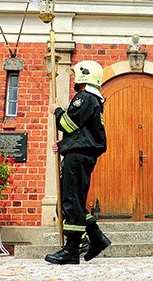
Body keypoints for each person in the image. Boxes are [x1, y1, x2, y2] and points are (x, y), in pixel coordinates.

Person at [45, 60, 112, 264]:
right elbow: (80, 130)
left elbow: (67, 122)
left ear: (84, 76)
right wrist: (66, 143)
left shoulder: (85, 98)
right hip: (80, 154)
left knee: (71, 201)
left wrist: (57, 110)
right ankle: (96, 238)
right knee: (73, 200)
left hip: (78, 156)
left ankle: (72, 249)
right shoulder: (94, 100)